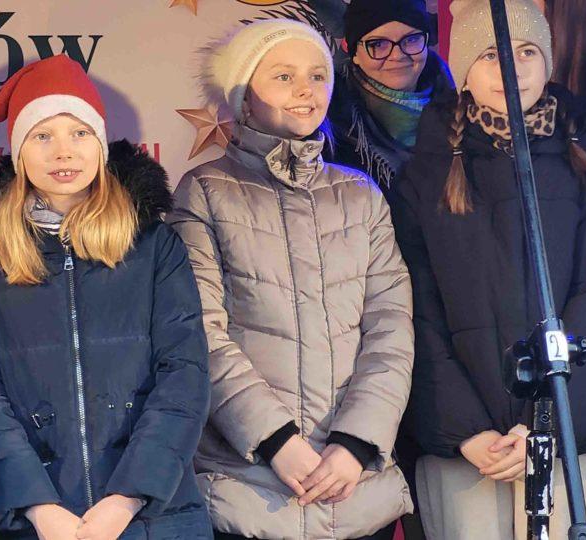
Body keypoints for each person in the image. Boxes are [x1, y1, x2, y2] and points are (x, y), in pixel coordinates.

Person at [168, 19, 415, 539]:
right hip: (248, 491)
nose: (306, 90)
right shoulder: (205, 191)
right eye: (283, 76)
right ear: (244, 98)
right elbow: (199, 331)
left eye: (317, 75)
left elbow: (391, 329)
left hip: (356, 492)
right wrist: (276, 440)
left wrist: (356, 444)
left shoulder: (361, 195)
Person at [0, 54, 212, 540]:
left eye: (79, 133)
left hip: (153, 515)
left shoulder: (154, 247)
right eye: (42, 136)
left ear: (100, 144)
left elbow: (184, 374)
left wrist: (129, 496)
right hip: (38, 521)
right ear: (18, 153)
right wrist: (36, 505)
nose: (63, 152)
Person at [392, 1, 586, 537]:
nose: (513, 66)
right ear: (463, 70)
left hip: (574, 442)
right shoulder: (424, 177)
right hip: (470, 450)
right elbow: (415, 313)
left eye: (528, 51)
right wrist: (465, 430)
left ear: (548, 61)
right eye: (492, 55)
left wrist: (551, 423)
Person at [326, 0, 455, 193]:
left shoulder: (465, 106)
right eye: (378, 44)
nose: (397, 55)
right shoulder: (331, 128)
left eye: (411, 39)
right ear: (354, 53)